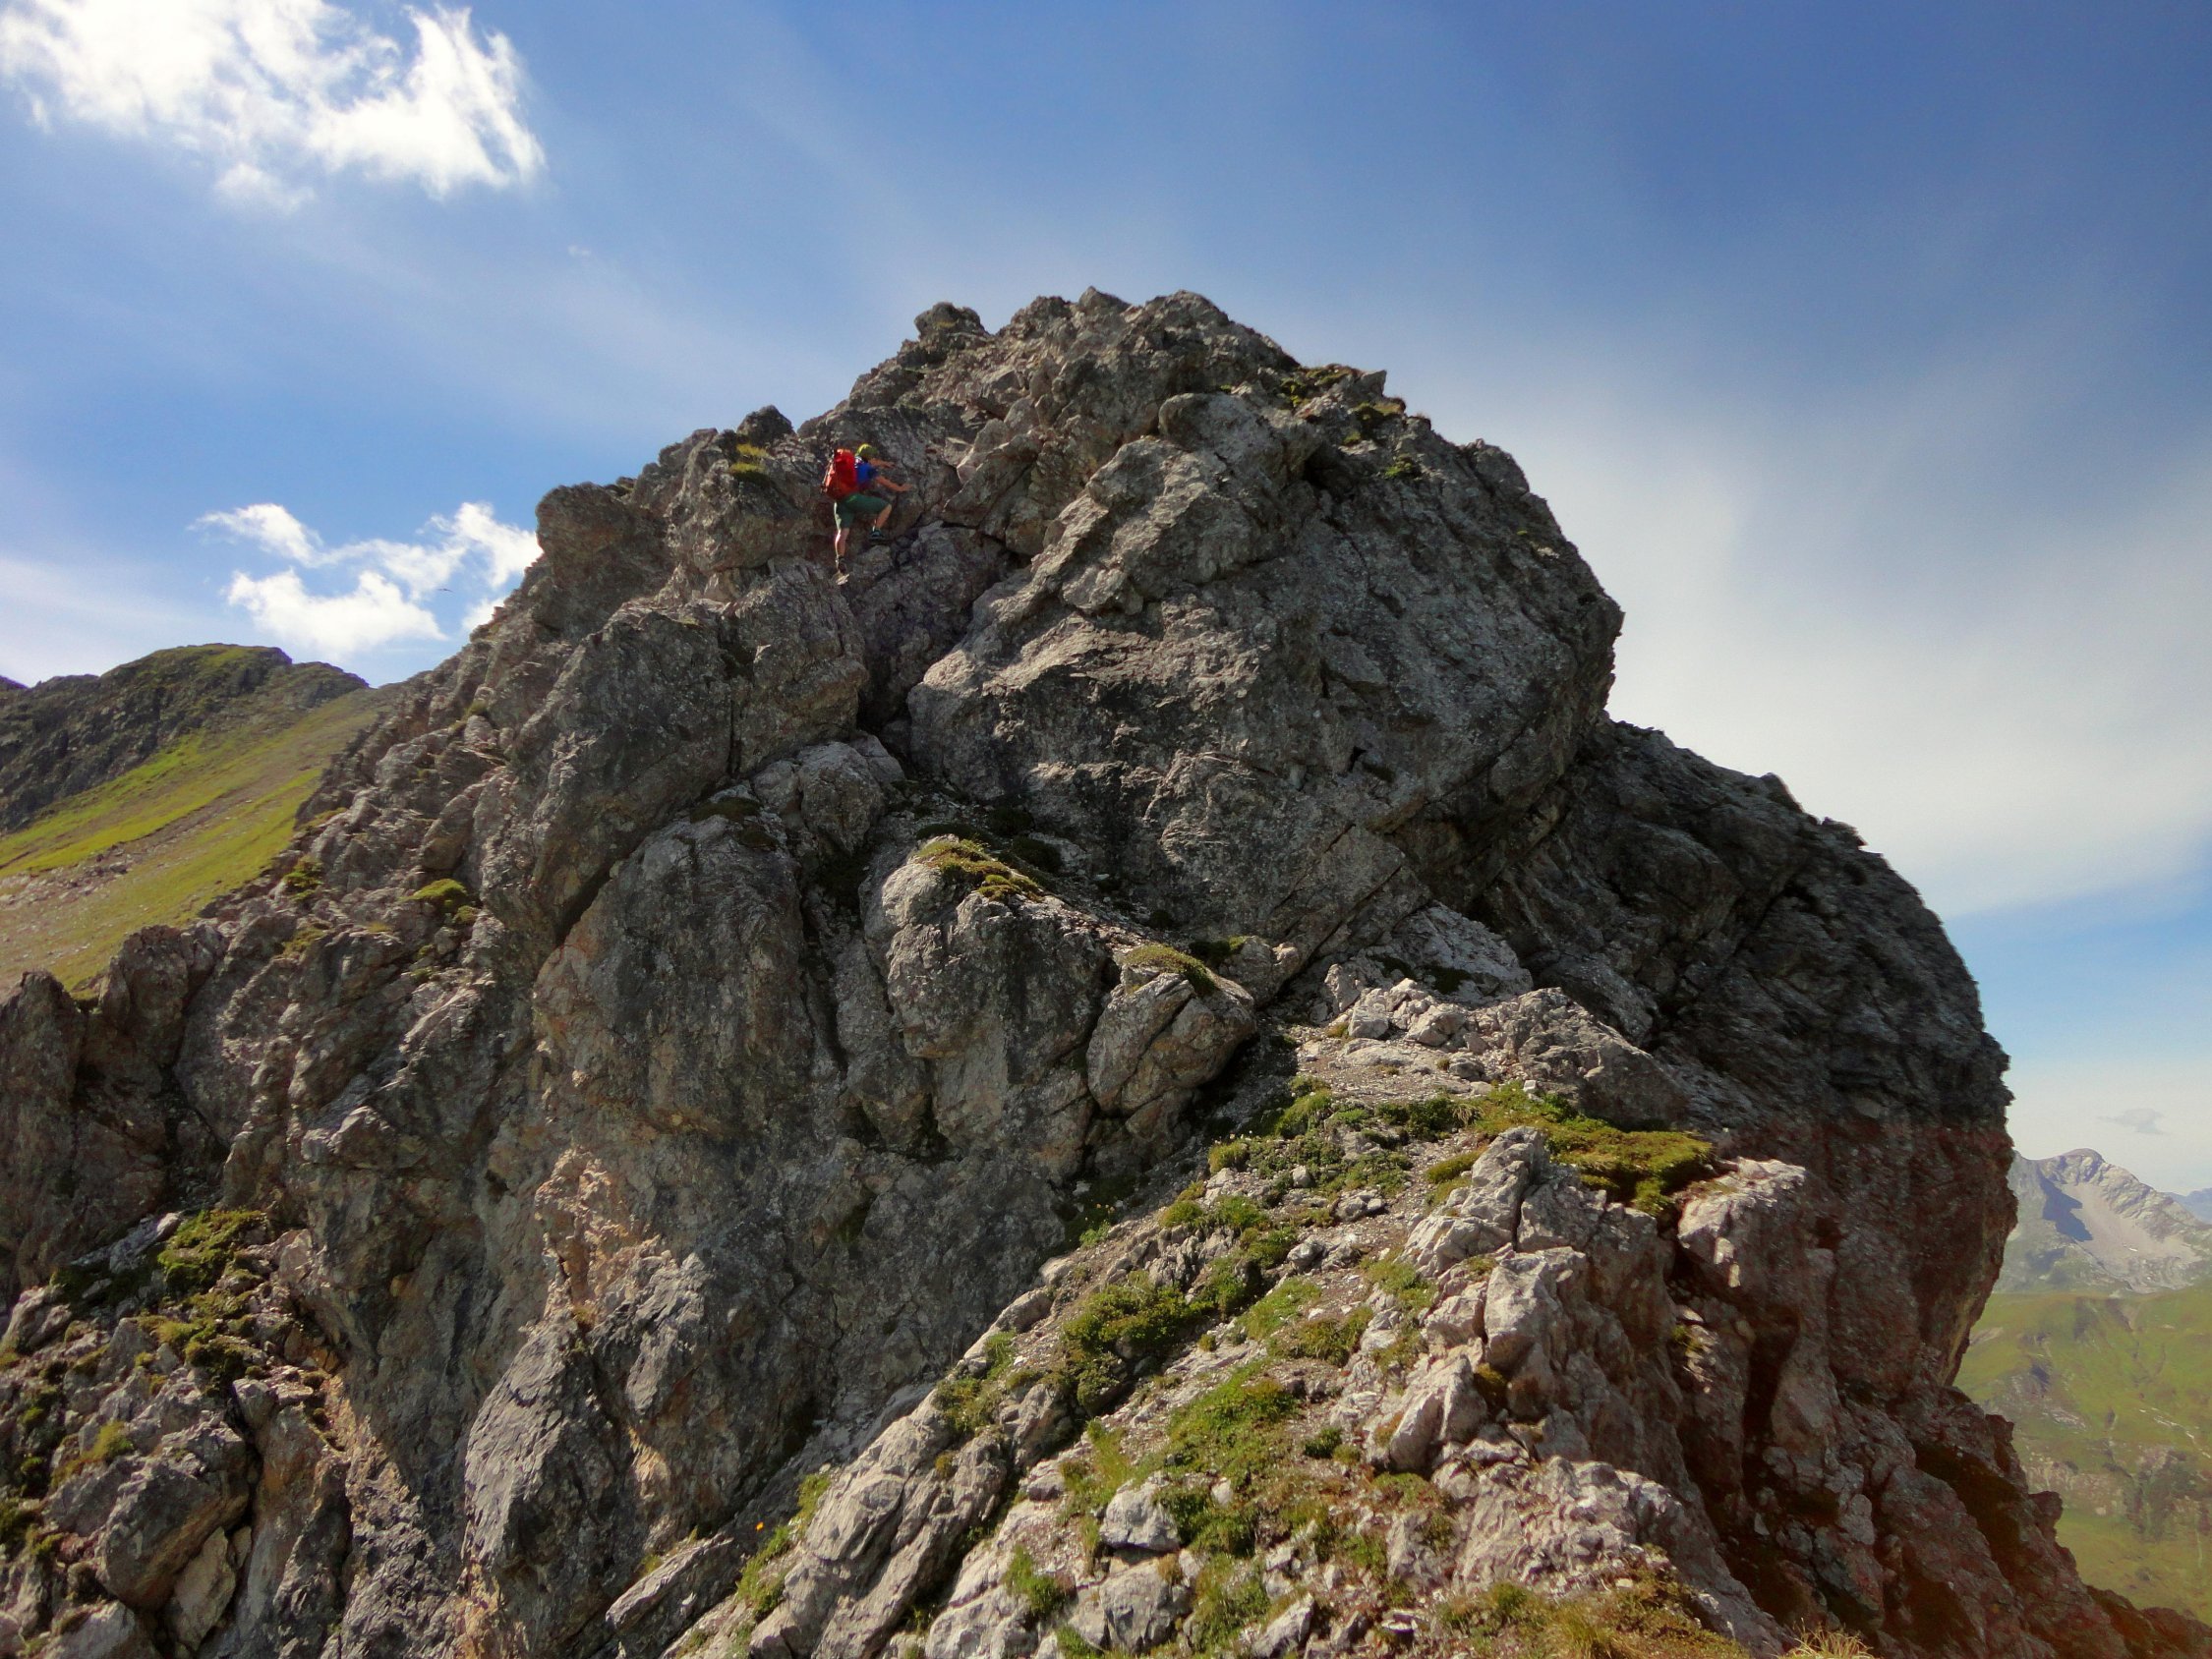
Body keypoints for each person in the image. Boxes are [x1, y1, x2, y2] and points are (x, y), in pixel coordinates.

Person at [826, 442, 908, 568]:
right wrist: (900, 488)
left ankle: (840, 559)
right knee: (886, 507)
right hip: (853, 499)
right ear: (869, 457)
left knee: (842, 533)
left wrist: (883, 463)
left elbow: (872, 462)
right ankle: (876, 533)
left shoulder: (852, 461)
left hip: (839, 501)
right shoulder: (869, 469)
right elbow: (885, 482)